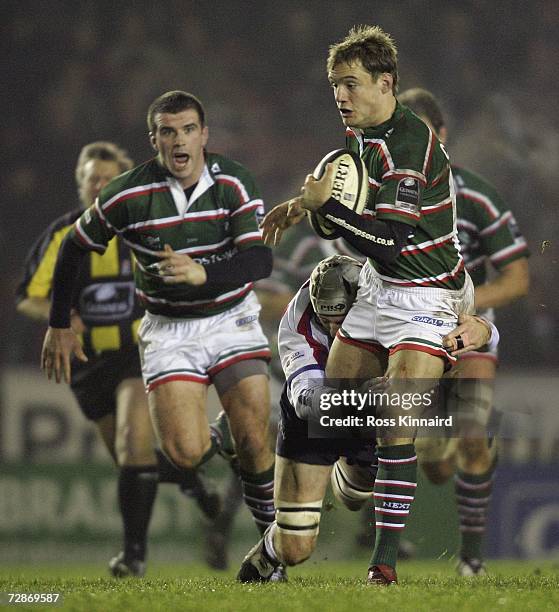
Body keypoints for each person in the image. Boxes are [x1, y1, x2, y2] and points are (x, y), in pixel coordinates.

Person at [261, 25, 476, 584]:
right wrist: (298, 206)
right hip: (381, 287)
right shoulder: (361, 132)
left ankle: (383, 565)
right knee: (337, 406)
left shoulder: (411, 145)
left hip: (429, 294)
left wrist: (328, 210)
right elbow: (359, 210)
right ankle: (359, 466)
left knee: (398, 419)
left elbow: (390, 238)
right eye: (335, 84)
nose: (341, 95)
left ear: (387, 83)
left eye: (351, 84)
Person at [39, 92, 280, 569]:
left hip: (230, 317)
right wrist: (59, 321)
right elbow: (73, 249)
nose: (179, 140)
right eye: (167, 132)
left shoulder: (233, 181)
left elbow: (259, 259)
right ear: (154, 140)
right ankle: (219, 439)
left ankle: (271, 553)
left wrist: (204, 274)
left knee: (254, 431)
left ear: (204, 135)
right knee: (185, 452)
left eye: (188, 129)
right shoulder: (127, 194)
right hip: (169, 330)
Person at [16, 141, 226, 577]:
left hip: (139, 353)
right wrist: (64, 319)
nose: (99, 186)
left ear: (121, 182)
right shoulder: (63, 236)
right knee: (132, 460)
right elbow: (29, 299)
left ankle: (133, 557)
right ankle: (192, 482)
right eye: (92, 178)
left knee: (134, 441)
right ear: (81, 184)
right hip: (88, 362)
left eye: (107, 179)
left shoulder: (145, 229)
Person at [237, 255, 498, 582]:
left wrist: (485, 328)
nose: (334, 330)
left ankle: (358, 471)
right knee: (295, 548)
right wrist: (360, 399)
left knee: (354, 494)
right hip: (316, 417)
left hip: (371, 409)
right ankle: (268, 552)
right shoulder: (297, 321)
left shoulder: (390, 297)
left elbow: (467, 328)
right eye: (326, 320)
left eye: (342, 320)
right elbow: (306, 399)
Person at [397, 87, 530, 576]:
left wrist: (467, 308)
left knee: (472, 434)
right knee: (431, 457)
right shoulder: (386, 198)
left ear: (443, 137)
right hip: (409, 329)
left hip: (468, 330)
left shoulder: (474, 195)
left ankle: (472, 558)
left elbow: (517, 278)